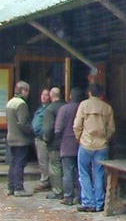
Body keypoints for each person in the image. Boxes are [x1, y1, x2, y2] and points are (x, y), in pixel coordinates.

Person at [73, 82, 115, 213]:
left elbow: (77, 125)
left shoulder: (84, 105)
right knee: (99, 173)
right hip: (101, 145)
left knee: (84, 173)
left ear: (89, 93)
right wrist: (105, 139)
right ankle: (99, 203)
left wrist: (79, 138)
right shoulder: (107, 108)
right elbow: (111, 128)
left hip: (86, 143)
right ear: (101, 94)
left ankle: (88, 202)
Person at [55, 87, 82, 206]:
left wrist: (59, 139)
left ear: (70, 96)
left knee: (68, 172)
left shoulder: (64, 109)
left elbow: (58, 128)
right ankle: (81, 196)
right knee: (81, 173)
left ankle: (68, 197)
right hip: (81, 144)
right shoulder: (82, 108)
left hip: (66, 144)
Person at [6, 80, 33, 197]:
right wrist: (32, 131)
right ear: (23, 91)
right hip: (20, 139)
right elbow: (22, 123)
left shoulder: (10, 102)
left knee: (13, 162)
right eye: (27, 91)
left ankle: (10, 186)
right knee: (20, 163)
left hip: (11, 137)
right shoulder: (21, 104)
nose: (28, 94)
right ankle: (18, 188)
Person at [42, 86, 65, 199]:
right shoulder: (65, 106)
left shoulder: (50, 109)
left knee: (55, 167)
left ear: (51, 96)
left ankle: (58, 190)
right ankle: (69, 190)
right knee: (67, 167)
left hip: (54, 143)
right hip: (67, 142)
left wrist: (46, 139)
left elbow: (48, 128)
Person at [32, 88, 51, 192]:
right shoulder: (41, 108)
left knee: (44, 160)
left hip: (42, 138)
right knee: (41, 160)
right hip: (37, 138)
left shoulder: (48, 109)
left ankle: (45, 180)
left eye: (46, 95)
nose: (43, 97)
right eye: (42, 95)